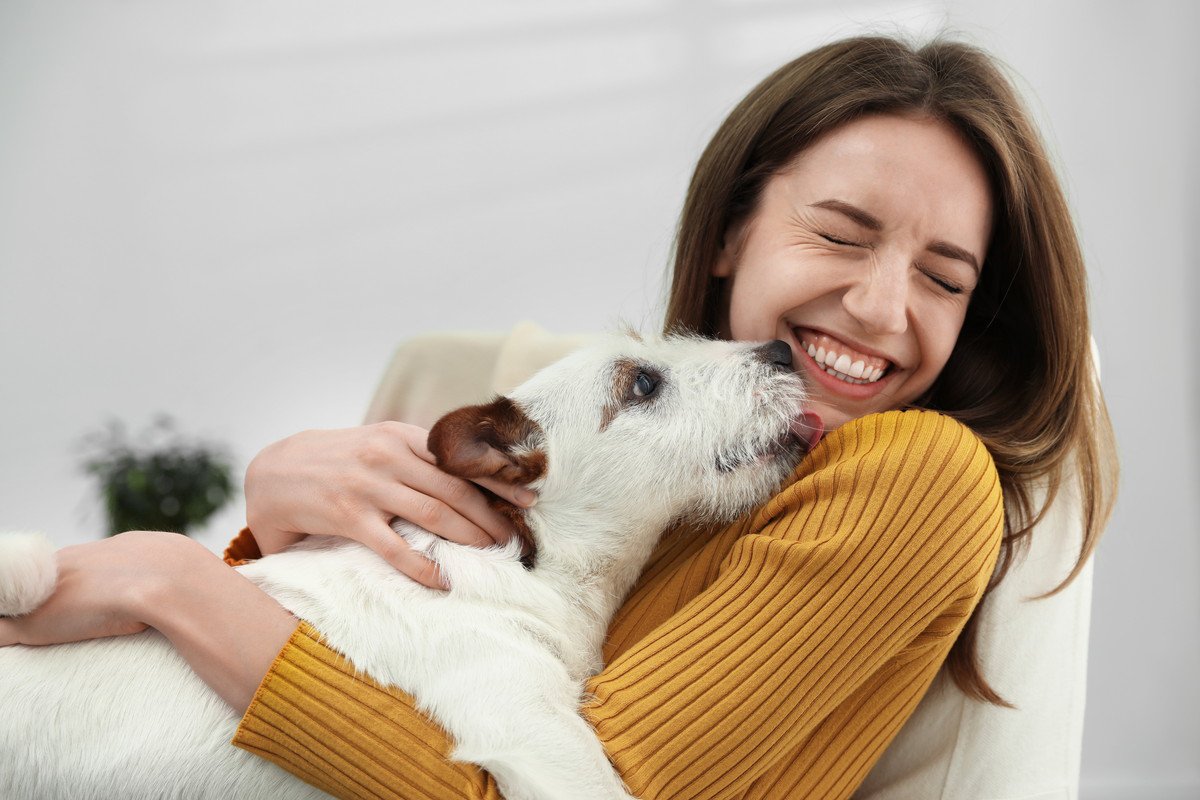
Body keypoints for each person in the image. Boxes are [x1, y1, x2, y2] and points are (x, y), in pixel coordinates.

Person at [0, 35, 1117, 799]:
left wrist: (176, 582)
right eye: (839, 232)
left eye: (944, 275)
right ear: (731, 228)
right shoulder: (668, 474)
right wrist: (269, 535)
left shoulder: (912, 477)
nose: (880, 307)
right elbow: (383, 668)